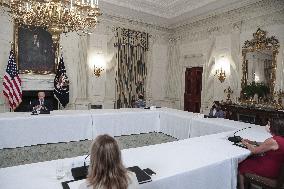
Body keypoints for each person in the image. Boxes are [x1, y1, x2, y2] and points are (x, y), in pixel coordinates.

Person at [238, 118, 284, 189]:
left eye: (268, 124)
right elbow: (265, 144)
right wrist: (252, 142)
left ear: (274, 127)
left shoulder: (272, 141)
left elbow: (254, 151)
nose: (267, 126)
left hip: (269, 169)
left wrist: (246, 143)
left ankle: (242, 187)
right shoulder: (280, 139)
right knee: (252, 158)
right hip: (277, 168)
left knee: (242, 163)